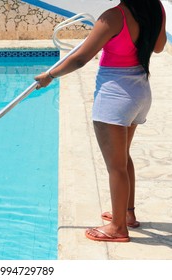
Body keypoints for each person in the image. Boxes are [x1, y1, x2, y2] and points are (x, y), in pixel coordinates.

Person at [34, 0, 167, 242]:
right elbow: (158, 47)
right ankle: (126, 215)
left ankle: (117, 228)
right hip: (140, 90)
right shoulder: (155, 7)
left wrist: (49, 75)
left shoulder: (114, 16)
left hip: (115, 96)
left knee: (115, 166)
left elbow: (80, 59)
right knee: (122, 157)